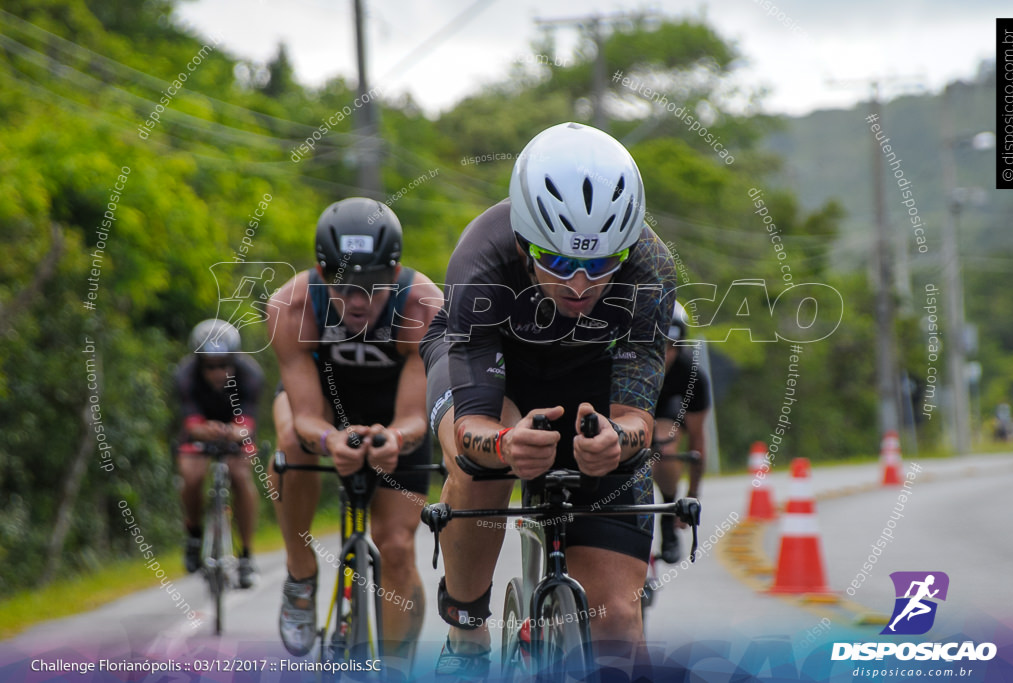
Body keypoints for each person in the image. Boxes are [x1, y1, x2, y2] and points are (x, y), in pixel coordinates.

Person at [420, 122, 676, 677]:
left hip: (589, 387)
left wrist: (616, 440)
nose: (580, 285)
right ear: (521, 242)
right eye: (557, 262)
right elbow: (474, 425)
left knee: (616, 629)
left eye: (603, 263)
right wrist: (506, 444)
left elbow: (637, 417)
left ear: (627, 248)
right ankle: (465, 634)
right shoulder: (482, 259)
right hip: (499, 380)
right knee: (477, 463)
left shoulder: (651, 267)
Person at [266, 198, 442, 660]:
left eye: (375, 288)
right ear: (323, 275)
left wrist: (397, 440)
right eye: (346, 289)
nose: (360, 302)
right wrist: (327, 439)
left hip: (397, 415)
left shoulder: (422, 305)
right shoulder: (292, 305)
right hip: (321, 408)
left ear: (396, 270)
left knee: (398, 546)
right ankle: (301, 572)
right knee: (289, 443)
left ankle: (396, 666)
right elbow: (303, 414)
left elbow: (416, 415)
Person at [174, 319, 264, 588]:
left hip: (236, 430)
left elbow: (249, 421)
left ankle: (246, 555)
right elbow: (189, 420)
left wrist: (237, 432)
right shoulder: (184, 375)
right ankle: (194, 534)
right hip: (199, 429)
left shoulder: (250, 374)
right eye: (210, 366)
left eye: (224, 364)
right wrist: (202, 429)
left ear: (233, 360)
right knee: (191, 476)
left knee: (241, 477)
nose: (218, 372)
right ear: (200, 363)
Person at [650, 303, 711, 563]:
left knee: (665, 445)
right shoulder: (624, 361)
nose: (664, 355)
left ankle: (666, 515)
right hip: (627, 407)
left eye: (671, 347)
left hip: (665, 414)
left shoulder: (691, 375)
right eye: (657, 346)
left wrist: (693, 496)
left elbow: (697, 442)